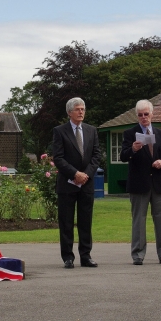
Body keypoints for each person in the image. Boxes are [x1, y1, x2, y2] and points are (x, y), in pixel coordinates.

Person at [120, 99, 161, 265]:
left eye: (146, 114)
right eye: (140, 115)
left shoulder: (160, 133)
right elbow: (123, 156)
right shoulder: (130, 134)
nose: (144, 117)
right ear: (137, 116)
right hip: (139, 184)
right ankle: (138, 254)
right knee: (139, 220)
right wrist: (133, 149)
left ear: (152, 114)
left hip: (157, 183)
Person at [52, 97, 101, 269]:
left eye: (83, 109)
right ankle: (68, 257)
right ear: (69, 112)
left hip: (86, 184)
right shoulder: (60, 131)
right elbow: (58, 157)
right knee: (66, 222)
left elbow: (96, 156)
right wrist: (74, 174)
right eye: (78, 109)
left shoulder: (91, 130)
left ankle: (86, 256)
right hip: (67, 184)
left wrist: (85, 175)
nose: (81, 112)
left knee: (85, 221)